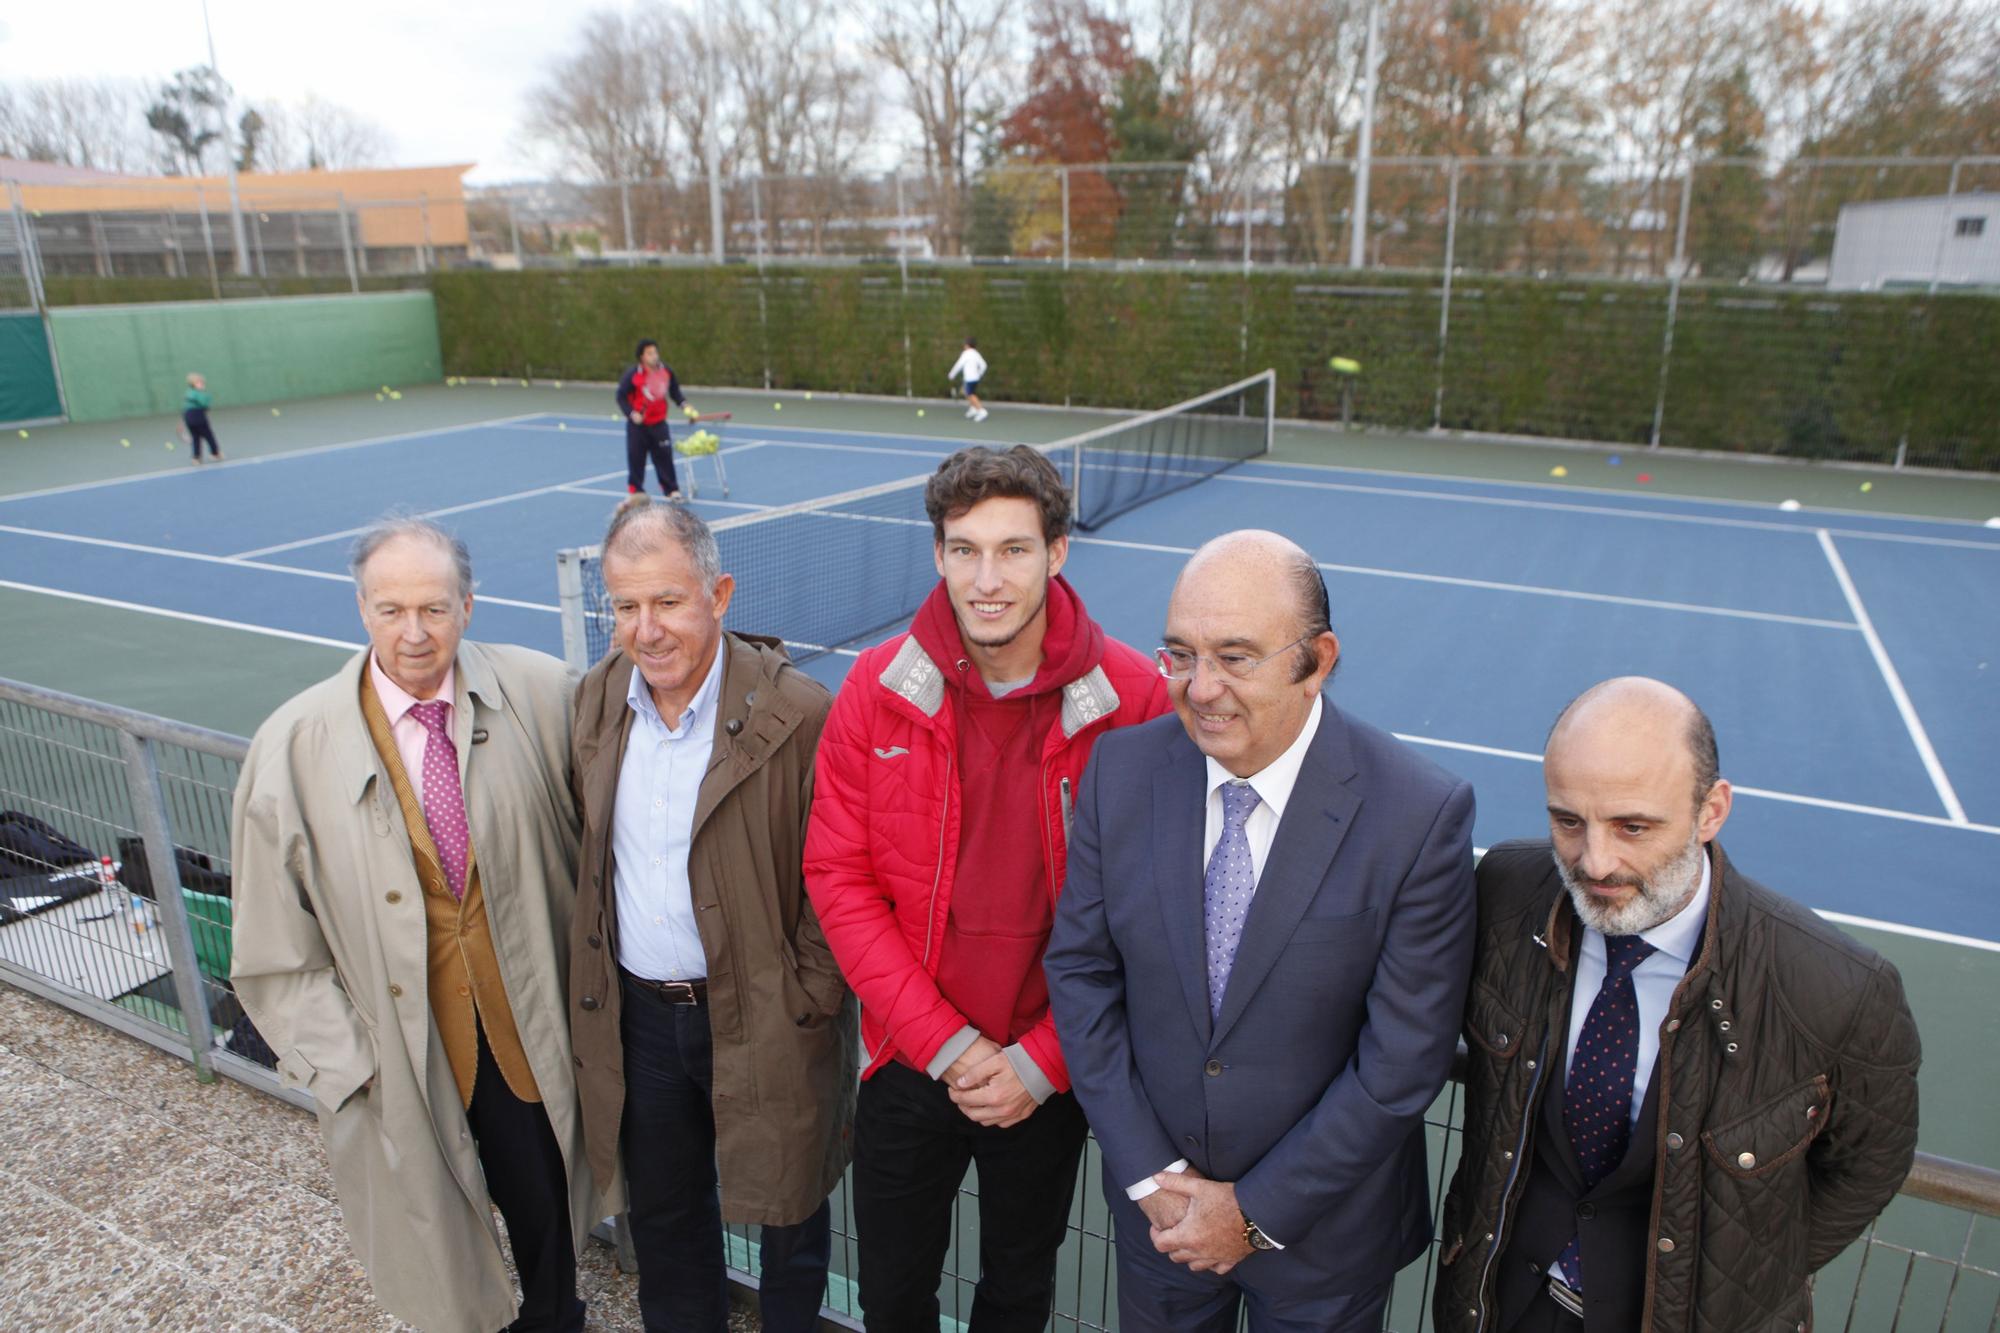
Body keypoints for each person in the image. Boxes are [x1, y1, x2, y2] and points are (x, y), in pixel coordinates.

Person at [1044, 529, 1477, 1333]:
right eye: (1179, 654)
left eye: (1235, 657)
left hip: (1324, 1245)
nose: (1199, 688)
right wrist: (1149, 1175)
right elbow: (1080, 973)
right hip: (1160, 1224)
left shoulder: (1418, 814)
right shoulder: (1119, 775)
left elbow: (1402, 1060)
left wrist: (1248, 1213)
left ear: (1316, 660)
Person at [805, 444, 1170, 1331]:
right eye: (964, 549)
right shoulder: (875, 687)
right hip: (909, 1064)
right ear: (936, 555)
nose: (987, 578)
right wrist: (946, 1045)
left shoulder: (1134, 699)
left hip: (1047, 1074)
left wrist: (1042, 1062)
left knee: (1018, 1292)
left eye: (1013, 549)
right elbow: (838, 875)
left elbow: (1151, 913)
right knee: (892, 1293)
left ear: (1057, 552)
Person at [1432, 677, 1922, 1333]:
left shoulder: (1838, 986)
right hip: (1507, 1306)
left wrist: (1736, 1278)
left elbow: (1868, 1165)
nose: (1595, 861)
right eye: (1568, 820)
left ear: (1712, 809)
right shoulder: (1507, 892)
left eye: (1633, 825)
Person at [230, 515, 592, 1333]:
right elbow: (269, 944)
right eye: (391, 610)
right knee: (436, 1236)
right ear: (361, 610)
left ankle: (556, 1317)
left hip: (522, 1031)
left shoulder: (545, 692)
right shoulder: (291, 744)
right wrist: (348, 1067)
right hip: (396, 1052)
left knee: (547, 1208)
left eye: (433, 608)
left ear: (469, 605)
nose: (415, 632)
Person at [567, 496, 856, 1333]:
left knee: (789, 1215)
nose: (646, 629)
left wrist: (806, 996)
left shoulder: (799, 712)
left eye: (668, 601)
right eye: (625, 606)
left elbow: (838, 876)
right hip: (643, 1023)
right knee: (665, 1218)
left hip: (769, 1013)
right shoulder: (595, 702)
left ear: (719, 595)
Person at [617, 339, 700, 497]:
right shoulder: (632, 375)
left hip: (659, 424)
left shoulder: (666, 371)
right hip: (637, 427)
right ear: (642, 357)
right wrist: (632, 414)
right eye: (650, 353)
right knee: (636, 458)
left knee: (664, 457)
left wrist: (685, 406)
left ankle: (671, 489)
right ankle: (636, 492)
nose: (654, 356)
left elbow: (675, 392)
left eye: (655, 352)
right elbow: (621, 397)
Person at [182, 372, 222, 463]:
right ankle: (216, 454)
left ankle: (196, 458)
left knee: (196, 437)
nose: (202, 384)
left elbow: (187, 406)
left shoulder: (188, 393)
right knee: (208, 435)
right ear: (193, 384)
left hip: (188, 417)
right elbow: (205, 405)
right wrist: (207, 398)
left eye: (202, 383)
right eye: (199, 383)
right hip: (198, 416)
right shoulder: (200, 394)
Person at [948, 337, 988, 422]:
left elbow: (959, 365)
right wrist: (979, 374)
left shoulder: (966, 354)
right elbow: (984, 365)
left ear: (967, 345)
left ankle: (982, 411)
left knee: (971, 394)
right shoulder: (976, 354)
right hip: (975, 378)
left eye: (965, 344)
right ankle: (973, 408)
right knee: (967, 393)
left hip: (970, 379)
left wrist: (952, 374)